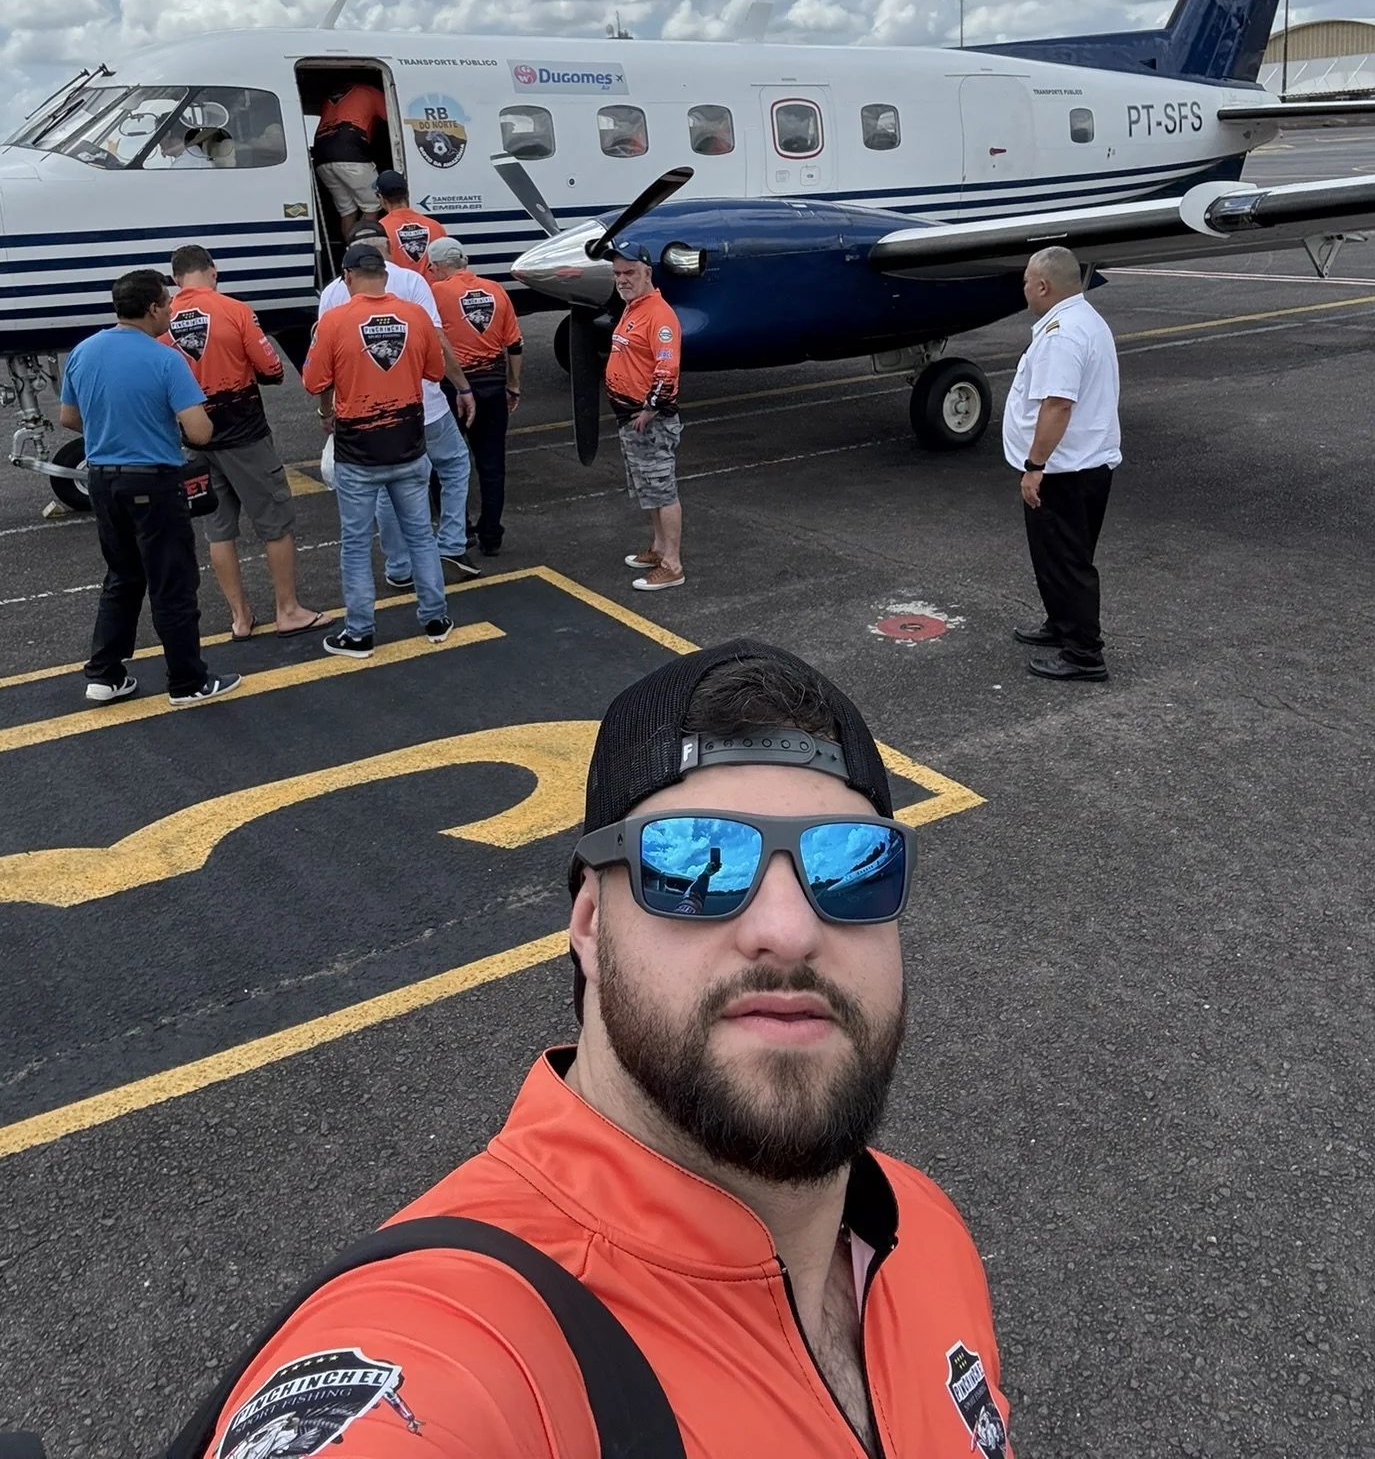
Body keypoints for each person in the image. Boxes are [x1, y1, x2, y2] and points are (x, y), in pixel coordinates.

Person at [203, 639, 1012, 1458]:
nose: (789, 930)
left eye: (852, 867)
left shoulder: (926, 1234)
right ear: (589, 925)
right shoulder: (458, 1346)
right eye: (695, 858)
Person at [59, 269, 240, 707]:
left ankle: (105, 674)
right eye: (167, 303)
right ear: (153, 307)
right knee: (172, 582)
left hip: (103, 479)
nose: (171, 310)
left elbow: (69, 418)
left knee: (122, 578)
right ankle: (187, 680)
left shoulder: (84, 351)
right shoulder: (165, 359)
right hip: (154, 480)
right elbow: (199, 431)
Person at [164, 244, 333, 640]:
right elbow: (271, 367)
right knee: (275, 521)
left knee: (219, 528)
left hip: (194, 437)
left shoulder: (163, 319)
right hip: (244, 433)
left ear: (175, 279)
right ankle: (287, 610)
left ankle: (240, 616)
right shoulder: (234, 310)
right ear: (213, 271)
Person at [303, 246, 453, 655]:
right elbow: (435, 371)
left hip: (359, 451)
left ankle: (359, 632)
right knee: (421, 535)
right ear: (385, 275)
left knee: (355, 543)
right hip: (408, 443)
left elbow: (314, 381)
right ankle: (435, 617)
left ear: (347, 277)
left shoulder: (334, 321)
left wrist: (329, 407)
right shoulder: (415, 315)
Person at [318, 225, 480, 581]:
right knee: (454, 464)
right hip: (423, 405)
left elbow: (322, 368)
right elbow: (437, 341)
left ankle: (399, 565)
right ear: (388, 250)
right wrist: (462, 387)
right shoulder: (411, 281)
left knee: (384, 490)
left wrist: (326, 411)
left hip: (361, 415)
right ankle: (451, 543)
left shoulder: (332, 293)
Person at [1001, 243, 1121, 683]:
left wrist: (1035, 465)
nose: (1023, 289)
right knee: (1057, 556)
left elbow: (1057, 405)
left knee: (1067, 560)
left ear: (1043, 286)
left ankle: (1084, 654)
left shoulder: (1062, 335)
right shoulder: (1083, 319)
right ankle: (1061, 623)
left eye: (1026, 282)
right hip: (1082, 464)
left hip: (1065, 470)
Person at [427, 236, 523, 558]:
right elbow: (515, 344)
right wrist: (513, 385)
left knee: (445, 464)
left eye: (431, 268)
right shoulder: (496, 290)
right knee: (492, 464)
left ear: (439, 266)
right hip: (493, 385)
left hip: (453, 388)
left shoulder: (435, 293)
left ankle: (460, 531)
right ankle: (492, 534)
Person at [607, 242, 684, 591]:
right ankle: (659, 548)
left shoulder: (659, 315)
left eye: (630, 273)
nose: (622, 279)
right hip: (631, 419)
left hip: (650, 422)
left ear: (648, 273)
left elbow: (667, 369)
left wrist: (651, 408)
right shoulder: (633, 308)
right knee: (649, 489)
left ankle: (673, 564)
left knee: (663, 490)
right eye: (617, 274)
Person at [312, 80, 388, 238]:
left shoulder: (333, 96)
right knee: (373, 205)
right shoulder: (370, 91)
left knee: (347, 210)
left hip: (322, 153)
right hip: (350, 150)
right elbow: (394, 119)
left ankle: (349, 249)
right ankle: (364, 246)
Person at [376, 169, 448, 275]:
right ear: (408, 194)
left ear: (381, 198)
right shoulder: (436, 227)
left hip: (398, 286)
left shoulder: (380, 230)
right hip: (432, 286)